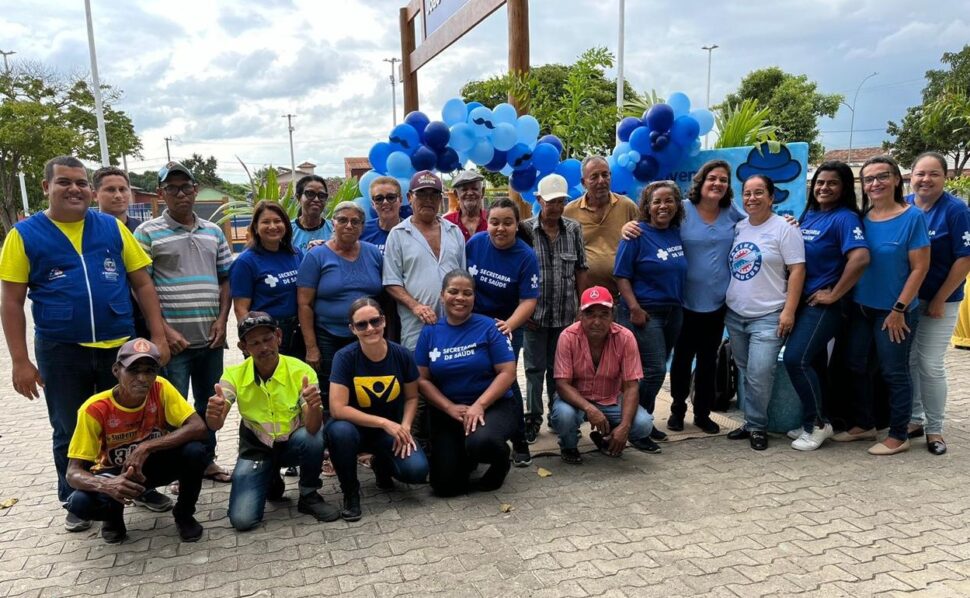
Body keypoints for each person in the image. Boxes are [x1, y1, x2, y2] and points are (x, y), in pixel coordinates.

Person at [0, 156, 169, 532]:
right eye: (64, 182)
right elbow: (11, 301)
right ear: (47, 187)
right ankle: (75, 499)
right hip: (62, 350)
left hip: (119, 349)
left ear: (90, 190)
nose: (74, 189)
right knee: (69, 427)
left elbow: (142, 283)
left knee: (135, 424)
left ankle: (138, 487)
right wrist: (20, 361)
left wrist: (157, 336)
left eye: (80, 182)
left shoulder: (110, 228)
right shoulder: (24, 234)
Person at [623, 160, 744, 434]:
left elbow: (758, 225)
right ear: (701, 181)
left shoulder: (731, 212)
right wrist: (628, 227)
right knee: (680, 359)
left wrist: (786, 220)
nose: (717, 184)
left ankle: (703, 412)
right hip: (683, 301)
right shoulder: (684, 210)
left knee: (708, 360)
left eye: (723, 180)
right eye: (712, 178)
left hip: (716, 302)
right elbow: (655, 224)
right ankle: (677, 410)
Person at [134, 161, 232, 484]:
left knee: (210, 403)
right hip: (174, 344)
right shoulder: (147, 233)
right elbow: (140, 286)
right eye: (172, 188)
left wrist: (222, 320)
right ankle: (178, 470)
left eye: (186, 187)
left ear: (194, 190)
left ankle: (206, 461)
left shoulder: (214, 232)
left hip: (211, 339)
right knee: (174, 408)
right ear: (161, 193)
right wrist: (164, 331)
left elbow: (225, 280)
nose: (181, 194)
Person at [63, 338, 208, 543]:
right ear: (116, 370)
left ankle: (184, 514)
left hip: (150, 466)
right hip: (113, 473)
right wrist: (108, 485)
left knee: (196, 451)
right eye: (133, 370)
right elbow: (73, 473)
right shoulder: (94, 409)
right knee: (80, 502)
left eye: (149, 370)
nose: (142, 378)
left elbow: (198, 427)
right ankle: (112, 518)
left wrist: (146, 447)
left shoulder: (160, 388)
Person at [206, 312, 340, 530]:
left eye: (267, 339)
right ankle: (269, 478)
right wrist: (213, 414)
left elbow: (314, 428)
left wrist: (314, 407)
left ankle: (309, 494)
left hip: (292, 444)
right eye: (255, 343)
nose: (263, 347)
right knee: (243, 520)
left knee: (312, 437)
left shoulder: (301, 371)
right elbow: (216, 424)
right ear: (243, 347)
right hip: (257, 449)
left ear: (278, 336)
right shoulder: (232, 375)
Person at [836, 156, 930, 455]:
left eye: (881, 177)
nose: (875, 183)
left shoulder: (912, 218)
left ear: (895, 181)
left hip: (894, 312)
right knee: (855, 364)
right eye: (868, 179)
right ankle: (865, 424)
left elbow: (920, 268)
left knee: (894, 371)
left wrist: (899, 309)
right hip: (862, 308)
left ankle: (899, 434)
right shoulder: (861, 219)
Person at [783, 162, 870, 451]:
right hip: (803, 301)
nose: (824, 188)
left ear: (844, 187)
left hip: (825, 307)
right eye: (819, 182)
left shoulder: (845, 218)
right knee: (815, 363)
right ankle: (813, 420)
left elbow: (859, 258)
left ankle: (819, 425)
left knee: (797, 359)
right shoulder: (810, 215)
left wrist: (834, 295)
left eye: (832, 183)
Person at [415, 270, 517, 496]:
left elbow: (508, 372)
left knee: (482, 442)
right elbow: (421, 379)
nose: (460, 297)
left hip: (491, 407)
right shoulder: (430, 332)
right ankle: (464, 458)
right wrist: (448, 407)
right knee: (444, 487)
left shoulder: (490, 327)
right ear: (442, 295)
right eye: (453, 291)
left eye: (467, 293)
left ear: (474, 297)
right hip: (448, 411)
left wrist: (479, 405)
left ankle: (500, 461)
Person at [326, 298, 429, 521]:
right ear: (352, 329)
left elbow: (412, 397)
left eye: (375, 321)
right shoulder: (345, 358)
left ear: (384, 321)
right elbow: (337, 408)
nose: (370, 328)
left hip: (388, 432)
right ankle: (350, 494)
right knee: (340, 431)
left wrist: (406, 426)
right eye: (362, 325)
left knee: (417, 471)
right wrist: (384, 422)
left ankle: (379, 464)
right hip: (354, 430)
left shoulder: (401, 354)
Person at [724, 175, 806, 451]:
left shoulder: (784, 228)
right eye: (747, 193)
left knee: (760, 372)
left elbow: (797, 270)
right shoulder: (739, 228)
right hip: (735, 314)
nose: (752, 198)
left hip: (769, 314)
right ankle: (750, 421)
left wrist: (789, 311)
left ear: (772, 197)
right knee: (747, 371)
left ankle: (758, 426)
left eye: (759, 193)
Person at [465, 197, 539, 466]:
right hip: (474, 325)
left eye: (507, 223)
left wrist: (509, 324)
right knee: (477, 375)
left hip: (507, 326)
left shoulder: (525, 256)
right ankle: (476, 433)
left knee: (506, 379)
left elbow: (529, 300)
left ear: (516, 225)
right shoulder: (475, 244)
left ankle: (519, 440)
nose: (500, 228)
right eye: (494, 222)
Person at [614, 181, 687, 453]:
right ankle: (635, 425)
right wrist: (634, 308)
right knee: (655, 370)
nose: (663, 206)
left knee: (654, 371)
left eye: (669, 201)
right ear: (647, 205)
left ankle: (644, 421)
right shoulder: (635, 234)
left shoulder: (677, 233)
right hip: (644, 312)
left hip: (673, 312)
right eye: (657, 201)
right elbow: (621, 275)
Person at [906, 152, 970, 455]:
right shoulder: (904, 205)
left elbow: (965, 258)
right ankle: (914, 418)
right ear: (911, 176)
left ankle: (935, 429)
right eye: (920, 173)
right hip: (908, 302)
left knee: (930, 364)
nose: (925, 179)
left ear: (945, 177)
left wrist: (940, 298)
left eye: (933, 174)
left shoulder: (955, 210)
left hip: (939, 302)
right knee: (910, 362)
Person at [550, 286, 657, 464]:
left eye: (603, 314)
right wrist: (590, 409)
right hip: (576, 400)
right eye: (590, 314)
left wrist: (624, 426)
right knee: (563, 416)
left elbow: (631, 386)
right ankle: (568, 446)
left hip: (611, 398)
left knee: (643, 425)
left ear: (612, 316)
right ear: (580, 315)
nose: (597, 321)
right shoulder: (567, 337)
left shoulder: (626, 337)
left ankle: (608, 438)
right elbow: (562, 385)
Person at [298, 201, 384, 410]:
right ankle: (335, 437)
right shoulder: (316, 256)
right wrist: (311, 347)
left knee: (367, 389)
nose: (349, 225)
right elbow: (304, 303)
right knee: (330, 392)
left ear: (362, 227)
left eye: (355, 221)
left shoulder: (373, 253)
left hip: (367, 335)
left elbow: (385, 297)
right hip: (329, 337)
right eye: (343, 220)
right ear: (333, 223)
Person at [522, 174, 589, 443]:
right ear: (538, 200)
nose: (555, 207)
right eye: (550, 202)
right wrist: (523, 312)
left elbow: (581, 269)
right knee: (534, 370)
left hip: (565, 315)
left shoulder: (573, 229)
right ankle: (532, 418)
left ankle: (557, 416)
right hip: (534, 317)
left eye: (560, 202)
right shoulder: (525, 229)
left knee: (560, 371)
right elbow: (519, 272)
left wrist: (582, 306)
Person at [383, 170, 466, 351]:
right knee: (418, 376)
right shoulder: (397, 235)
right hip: (416, 327)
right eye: (421, 194)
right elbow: (391, 282)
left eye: (434, 194)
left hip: (454, 325)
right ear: (409, 197)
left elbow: (463, 277)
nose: (428, 200)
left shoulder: (454, 231)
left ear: (440, 198)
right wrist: (416, 307)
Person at [230, 200, 305, 359]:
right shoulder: (245, 262)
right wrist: (249, 340)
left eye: (278, 221)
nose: (272, 226)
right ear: (256, 227)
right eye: (265, 222)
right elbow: (240, 309)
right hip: (266, 335)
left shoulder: (296, 254)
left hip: (297, 332)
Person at [562, 156, 639, 297]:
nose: (601, 181)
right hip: (585, 299)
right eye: (594, 177)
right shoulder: (569, 212)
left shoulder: (627, 206)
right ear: (583, 183)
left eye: (605, 175)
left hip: (623, 298)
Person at [360, 176, 405, 254]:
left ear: (400, 200)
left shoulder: (412, 231)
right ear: (373, 204)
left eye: (391, 197)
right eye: (379, 199)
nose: (385, 202)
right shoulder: (362, 231)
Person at [291, 175, 333, 252]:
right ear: (298, 198)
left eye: (321, 195)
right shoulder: (288, 231)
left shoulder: (334, 230)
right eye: (310, 194)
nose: (316, 199)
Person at [93, 166, 142, 232]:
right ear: (95, 195)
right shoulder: (87, 231)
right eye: (111, 190)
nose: (118, 195)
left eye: (122, 189)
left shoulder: (142, 230)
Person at [444, 170, 489, 242]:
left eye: (475, 188)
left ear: (482, 192)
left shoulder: (492, 220)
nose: (470, 193)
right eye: (464, 189)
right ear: (456, 194)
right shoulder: (446, 223)